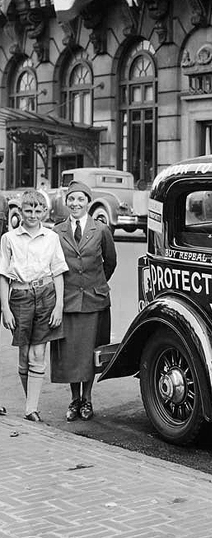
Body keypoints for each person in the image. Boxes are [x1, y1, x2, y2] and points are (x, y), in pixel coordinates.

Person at [51, 181, 117, 422]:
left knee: (91, 352)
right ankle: (74, 399)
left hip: (94, 301)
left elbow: (110, 262)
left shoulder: (101, 230)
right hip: (68, 301)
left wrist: (94, 284)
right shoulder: (57, 231)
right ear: (66, 202)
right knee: (71, 353)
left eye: (81, 199)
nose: (76, 203)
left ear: (88, 202)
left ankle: (87, 399)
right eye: (71, 199)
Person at [0, 190, 68, 422]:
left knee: (38, 352)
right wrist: (5, 308)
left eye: (37, 211)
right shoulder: (9, 239)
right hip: (20, 296)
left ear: (44, 212)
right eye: (28, 210)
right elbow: (3, 276)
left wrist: (58, 306)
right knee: (24, 355)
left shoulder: (51, 237)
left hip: (46, 294)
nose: (32, 215)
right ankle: (31, 400)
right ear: (20, 211)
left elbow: (58, 272)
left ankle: (31, 409)